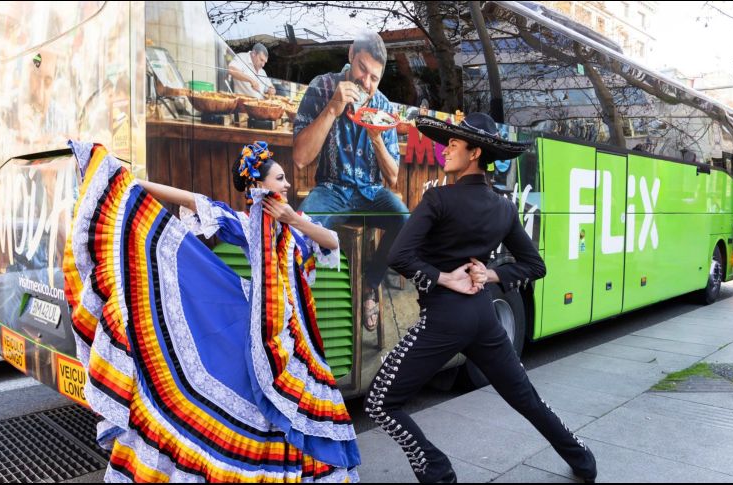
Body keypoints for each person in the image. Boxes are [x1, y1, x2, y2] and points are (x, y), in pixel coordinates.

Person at [63, 140, 360, 482]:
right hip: (264, 331)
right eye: (280, 179)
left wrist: (293, 219)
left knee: (295, 406)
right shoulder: (246, 223)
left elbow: (331, 242)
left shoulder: (297, 223)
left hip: (299, 331)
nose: (287, 184)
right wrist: (129, 183)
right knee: (265, 410)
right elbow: (191, 200)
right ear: (258, 186)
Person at [364, 113, 597, 484]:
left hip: (444, 320)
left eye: (454, 146)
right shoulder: (503, 206)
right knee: (526, 398)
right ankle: (583, 459)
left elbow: (398, 256)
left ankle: (437, 472)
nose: (446, 152)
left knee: (380, 403)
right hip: (483, 317)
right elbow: (534, 265)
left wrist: (445, 278)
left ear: (474, 153)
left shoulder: (438, 199)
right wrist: (490, 274)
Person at [292, 31, 408, 332]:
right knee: (297, 231)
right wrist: (332, 108)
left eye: (374, 78)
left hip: (371, 193)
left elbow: (393, 176)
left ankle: (370, 284)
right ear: (350, 54)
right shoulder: (322, 87)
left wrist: (377, 139)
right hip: (331, 189)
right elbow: (301, 158)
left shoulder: (383, 106)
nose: (366, 83)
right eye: (362, 70)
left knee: (407, 222)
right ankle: (297, 306)